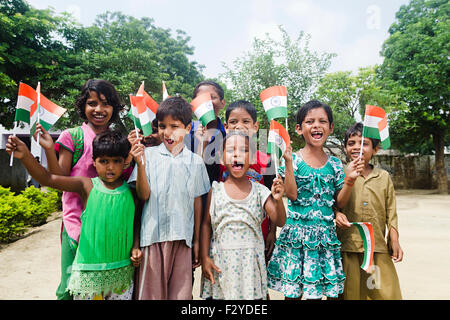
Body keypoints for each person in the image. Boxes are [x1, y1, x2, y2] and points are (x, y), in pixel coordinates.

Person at [6, 131, 144, 300]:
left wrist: (136, 246)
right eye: (104, 161)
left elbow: (136, 222)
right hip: (89, 273)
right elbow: (48, 178)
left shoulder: (132, 192)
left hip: (121, 272)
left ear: (125, 163)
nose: (110, 167)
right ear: (94, 162)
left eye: (116, 161)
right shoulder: (86, 186)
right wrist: (26, 156)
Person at [33, 79, 124, 300]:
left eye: (105, 104)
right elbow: (59, 177)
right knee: (70, 284)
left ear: (114, 107)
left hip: (107, 223)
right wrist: (48, 150)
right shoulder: (72, 136)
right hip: (76, 223)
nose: (99, 110)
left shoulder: (118, 139)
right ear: (83, 106)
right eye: (92, 103)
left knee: (102, 285)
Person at [267, 100, 364, 300]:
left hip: (325, 239)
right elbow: (292, 195)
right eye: (310, 121)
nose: (317, 126)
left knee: (323, 294)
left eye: (323, 121)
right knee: (293, 295)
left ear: (331, 128)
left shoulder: (335, 164)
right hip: (297, 239)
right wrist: (288, 162)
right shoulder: (293, 159)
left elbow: (340, 202)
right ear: (299, 128)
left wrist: (350, 180)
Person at [130, 97, 210, 300]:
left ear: (188, 127)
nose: (168, 132)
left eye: (175, 126)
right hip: (152, 238)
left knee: (182, 296)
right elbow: (142, 197)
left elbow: (197, 201)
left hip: (183, 239)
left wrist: (197, 241)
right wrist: (139, 165)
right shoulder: (147, 156)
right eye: (162, 126)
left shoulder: (196, 162)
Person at [200, 131, 286, 300]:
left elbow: (280, 220)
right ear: (222, 157)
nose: (237, 154)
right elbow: (205, 225)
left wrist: (278, 200)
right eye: (231, 150)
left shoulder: (261, 191)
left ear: (253, 157)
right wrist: (204, 257)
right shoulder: (216, 190)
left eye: (244, 150)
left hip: (250, 269)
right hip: (220, 264)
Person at [335, 122, 403, 300]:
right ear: (345, 148)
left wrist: (394, 238)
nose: (357, 147)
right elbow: (332, 205)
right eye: (352, 143)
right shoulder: (339, 173)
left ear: (375, 149)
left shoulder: (383, 177)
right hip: (347, 247)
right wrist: (336, 214)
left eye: (364, 143)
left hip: (377, 247)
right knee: (349, 294)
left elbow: (391, 210)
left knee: (384, 293)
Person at [221, 100, 277, 263]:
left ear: (256, 126)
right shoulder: (218, 160)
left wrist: (272, 232)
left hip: (258, 237)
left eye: (246, 121)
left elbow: (274, 199)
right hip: (225, 238)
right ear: (226, 127)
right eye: (233, 122)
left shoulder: (266, 161)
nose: (239, 126)